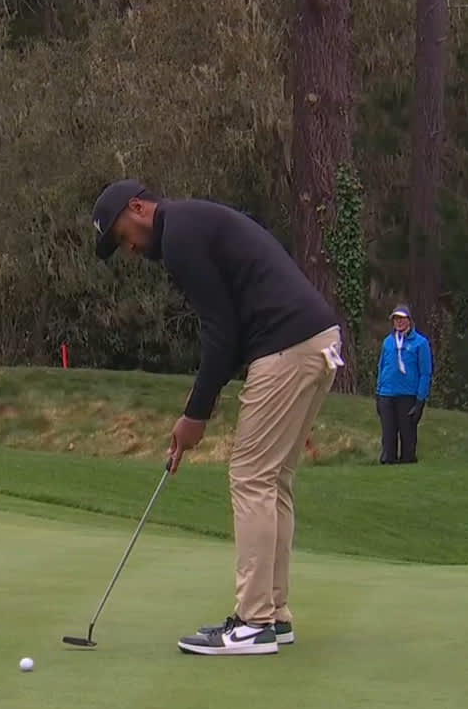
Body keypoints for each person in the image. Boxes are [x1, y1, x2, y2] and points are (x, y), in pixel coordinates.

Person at [92, 179, 343, 657]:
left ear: (139, 208)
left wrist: (195, 416)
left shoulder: (178, 234)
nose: (126, 247)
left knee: (250, 476)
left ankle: (252, 623)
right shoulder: (191, 223)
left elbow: (220, 332)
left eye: (121, 234)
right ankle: (274, 616)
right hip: (318, 340)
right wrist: (197, 402)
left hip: (286, 346)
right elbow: (228, 333)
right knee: (274, 480)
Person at [375, 304, 431, 464]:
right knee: (388, 432)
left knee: (407, 434)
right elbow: (382, 366)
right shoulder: (388, 342)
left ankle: (408, 460)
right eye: (396, 319)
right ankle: (388, 459)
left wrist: (421, 399)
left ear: (409, 320)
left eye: (402, 319)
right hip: (387, 393)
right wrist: (378, 392)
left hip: (407, 394)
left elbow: (425, 373)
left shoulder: (420, 343)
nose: (399, 322)